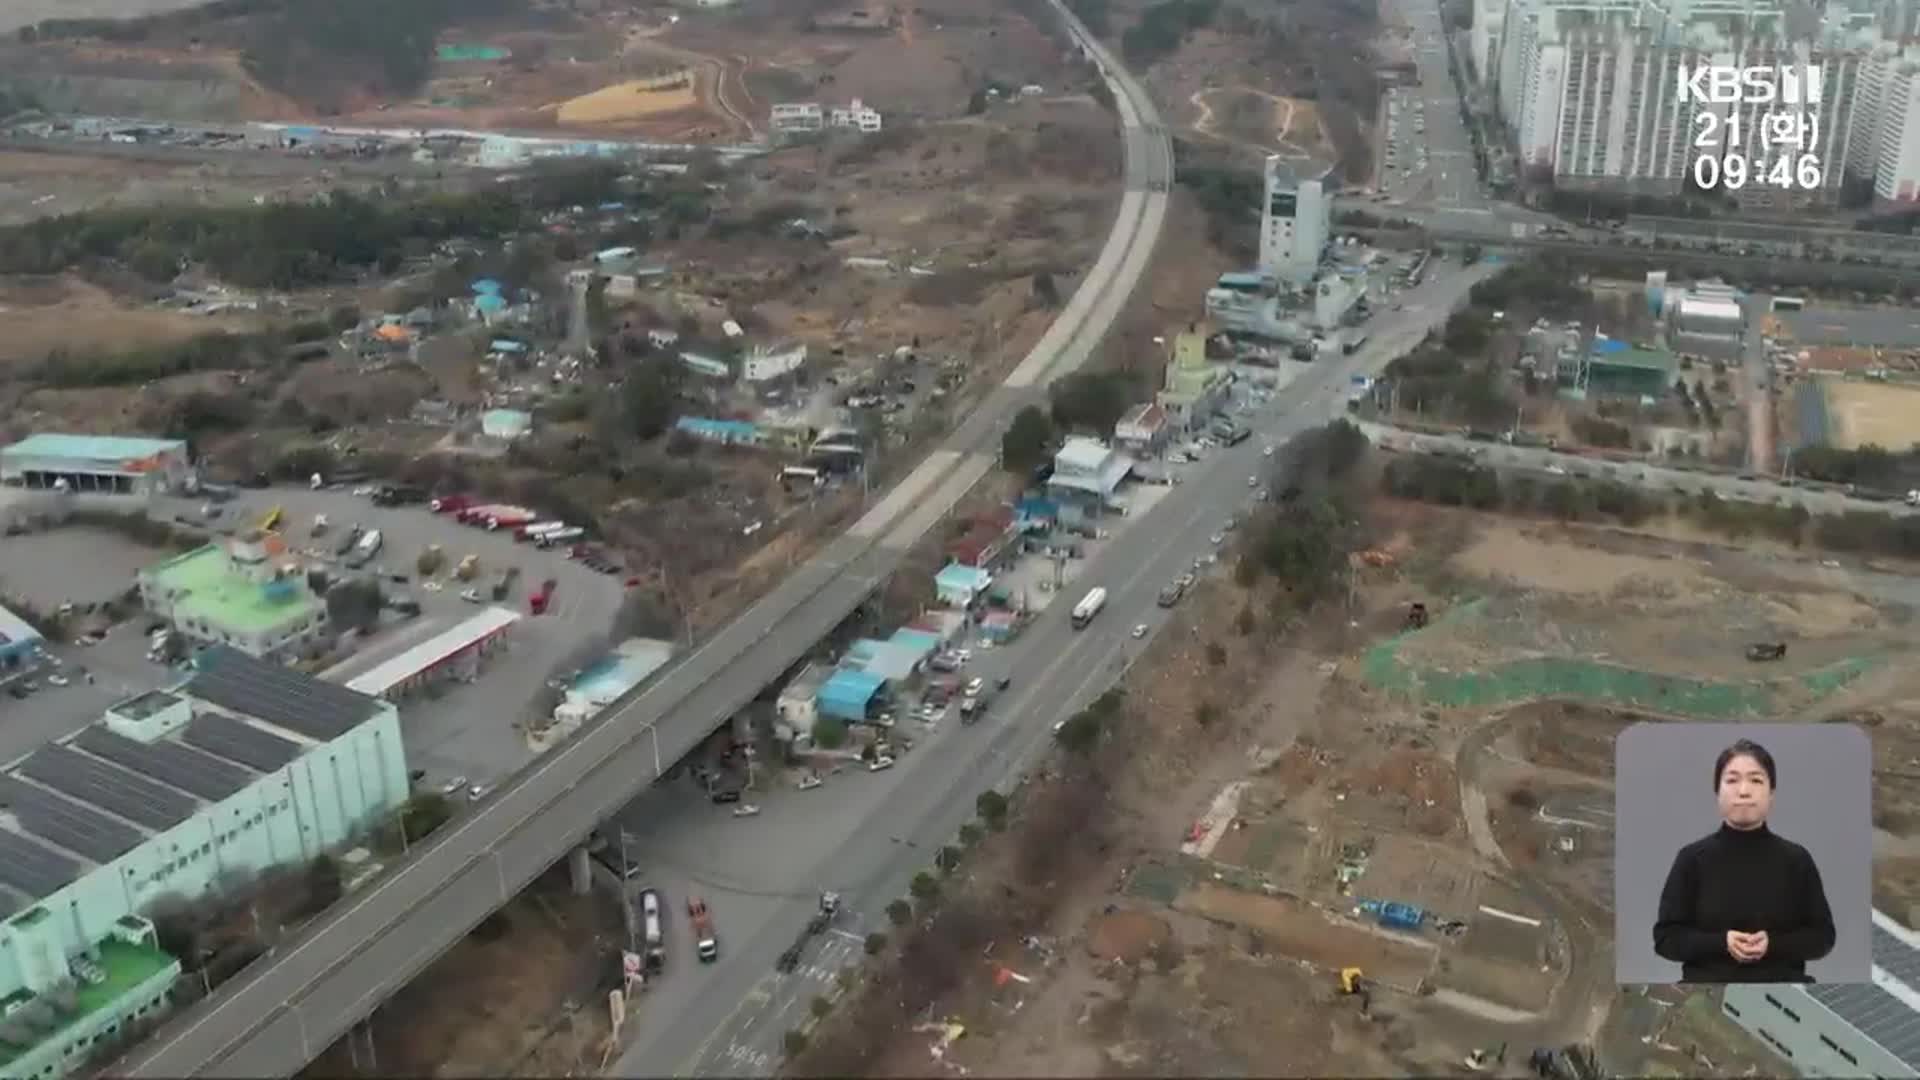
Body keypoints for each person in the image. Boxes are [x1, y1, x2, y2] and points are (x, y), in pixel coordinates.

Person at [1652, 738, 1836, 983]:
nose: (1744, 791)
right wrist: (1721, 943)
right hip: (1707, 990)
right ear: (1717, 792)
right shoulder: (1692, 859)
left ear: (1771, 793)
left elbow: (1822, 937)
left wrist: (1773, 944)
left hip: (1782, 994)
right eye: (1732, 780)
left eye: (1756, 780)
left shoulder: (1796, 860)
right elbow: (1666, 940)